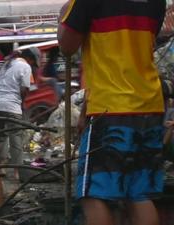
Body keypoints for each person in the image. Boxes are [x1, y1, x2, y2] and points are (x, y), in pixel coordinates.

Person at [58, 1, 166, 225]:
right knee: (139, 194)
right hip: (149, 104)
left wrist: (63, 16)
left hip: (111, 108)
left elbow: (67, 45)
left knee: (94, 195)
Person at [0, 47, 40, 179]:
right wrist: (22, 102)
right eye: (33, 63)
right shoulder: (25, 66)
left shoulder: (7, 64)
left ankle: (0, 168)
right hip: (12, 106)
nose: (32, 66)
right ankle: (18, 171)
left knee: (0, 136)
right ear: (30, 59)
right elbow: (24, 89)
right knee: (16, 137)